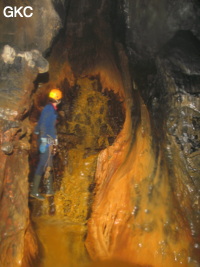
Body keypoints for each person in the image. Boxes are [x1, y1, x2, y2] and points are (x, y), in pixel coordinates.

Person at [30, 88, 62, 200]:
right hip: (46, 140)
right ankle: (34, 191)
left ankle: (49, 189)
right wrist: (43, 140)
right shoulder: (49, 109)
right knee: (43, 164)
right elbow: (44, 124)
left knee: (48, 163)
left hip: (49, 139)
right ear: (58, 99)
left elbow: (42, 124)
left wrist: (54, 138)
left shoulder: (51, 109)